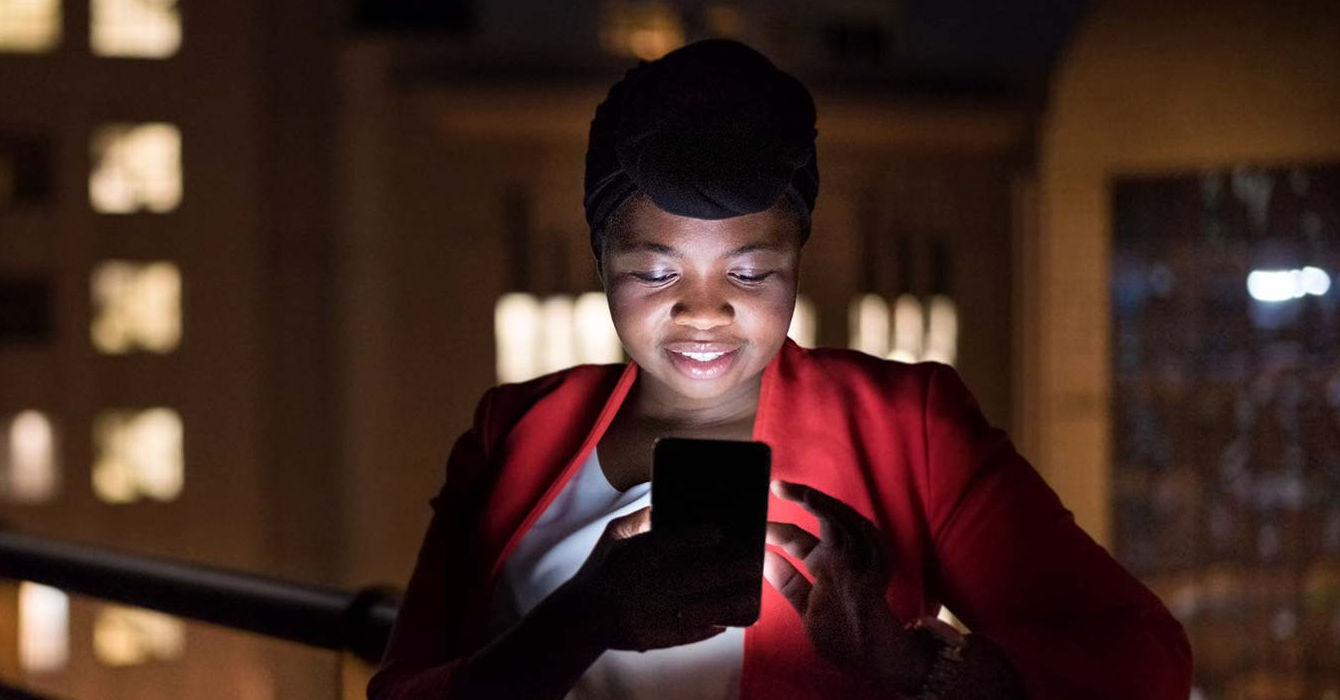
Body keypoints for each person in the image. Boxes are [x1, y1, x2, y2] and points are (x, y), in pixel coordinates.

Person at [367, 40, 1192, 700]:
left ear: (799, 263)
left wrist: (899, 663)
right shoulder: (512, 430)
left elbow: (1140, 662)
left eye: (750, 272)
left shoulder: (912, 429)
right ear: (600, 259)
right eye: (656, 271)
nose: (703, 310)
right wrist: (580, 620)